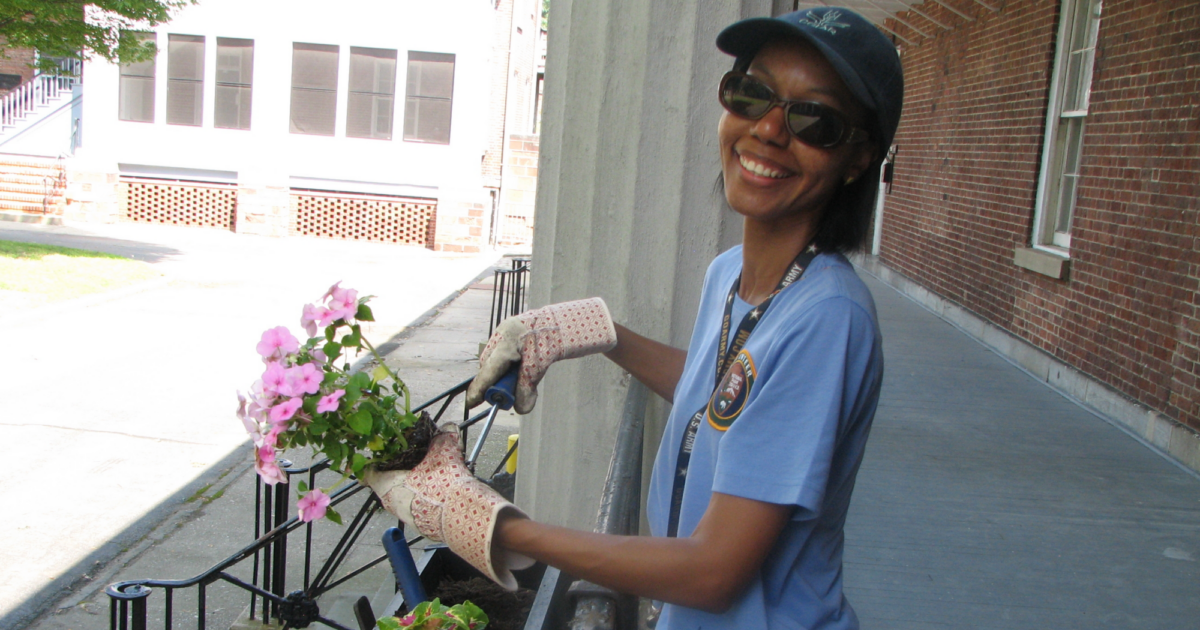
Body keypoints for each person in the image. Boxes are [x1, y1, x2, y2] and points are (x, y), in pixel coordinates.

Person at [370, 7, 903, 629]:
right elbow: (728, 398)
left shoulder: (828, 319)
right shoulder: (729, 273)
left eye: (815, 118)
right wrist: (602, 334)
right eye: (752, 93)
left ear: (859, 157)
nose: (769, 130)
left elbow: (714, 573)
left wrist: (498, 525)